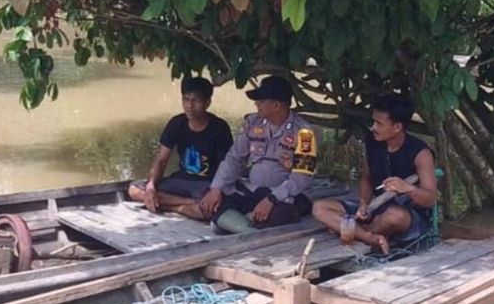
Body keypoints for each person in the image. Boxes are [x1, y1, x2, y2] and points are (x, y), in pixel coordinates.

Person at [312, 94, 437, 254]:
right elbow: (366, 177)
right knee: (320, 207)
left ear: (397, 127)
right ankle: (369, 237)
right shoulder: (372, 141)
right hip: (375, 206)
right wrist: (364, 203)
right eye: (373, 122)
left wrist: (408, 188)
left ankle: (354, 230)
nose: (373, 128)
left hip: (406, 215)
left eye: (379, 123)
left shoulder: (421, 153)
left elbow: (430, 198)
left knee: (395, 216)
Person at [199, 75, 317, 233]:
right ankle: (248, 226)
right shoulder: (251, 123)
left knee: (282, 212)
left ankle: (233, 224)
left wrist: (271, 199)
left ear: (276, 105)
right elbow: (234, 158)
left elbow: (301, 177)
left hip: (286, 195)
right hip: (253, 190)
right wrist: (217, 188)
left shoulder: (304, 133)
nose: (256, 104)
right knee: (211, 197)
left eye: (261, 101)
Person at [127, 77, 233, 220]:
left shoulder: (219, 128)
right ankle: (186, 205)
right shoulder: (177, 123)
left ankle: (169, 205)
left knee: (208, 210)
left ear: (207, 103)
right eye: (186, 99)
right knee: (134, 190)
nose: (190, 105)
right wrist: (151, 186)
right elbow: (161, 160)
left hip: (206, 184)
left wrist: (216, 191)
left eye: (196, 101)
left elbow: (226, 166)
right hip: (181, 180)